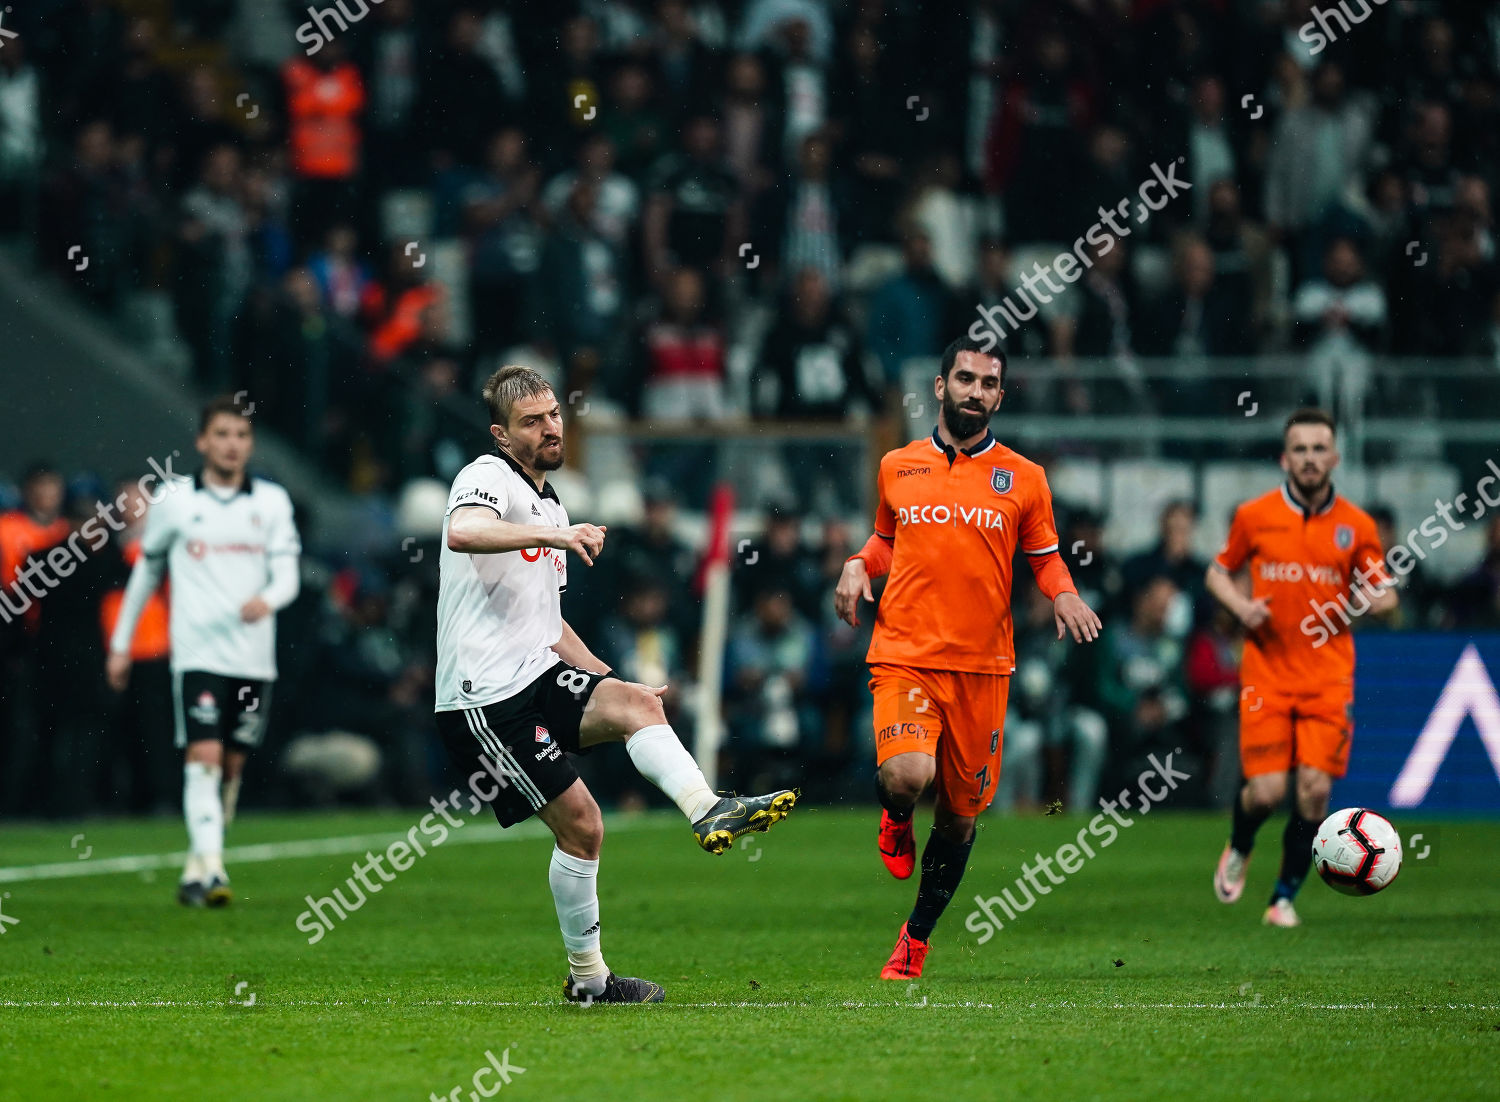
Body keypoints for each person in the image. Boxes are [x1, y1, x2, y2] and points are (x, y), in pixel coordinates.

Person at [433, 365, 797, 1005]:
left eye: (552, 414)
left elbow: (551, 627)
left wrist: (612, 679)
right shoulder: (486, 477)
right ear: (501, 434)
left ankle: (706, 807)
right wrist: (556, 535)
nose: (549, 428)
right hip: (483, 697)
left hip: (534, 671)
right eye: (531, 421)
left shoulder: (550, 503)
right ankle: (590, 982)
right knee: (584, 826)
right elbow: (463, 532)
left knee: (634, 702)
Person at [834, 335, 1101, 979]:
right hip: (904, 653)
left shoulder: (1025, 478)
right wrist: (855, 564)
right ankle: (895, 816)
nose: (974, 392)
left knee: (958, 821)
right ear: (940, 385)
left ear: (999, 396)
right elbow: (883, 539)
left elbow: (1044, 557)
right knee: (906, 776)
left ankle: (915, 938)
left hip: (984, 669)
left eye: (987, 384)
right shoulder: (898, 464)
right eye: (964, 379)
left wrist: (1064, 595)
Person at [107, 397, 302, 907]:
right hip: (197, 654)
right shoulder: (174, 500)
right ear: (201, 441)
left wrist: (269, 598)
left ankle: (197, 866)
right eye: (221, 434)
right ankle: (214, 869)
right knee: (205, 756)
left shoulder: (272, 503)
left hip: (254, 659)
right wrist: (121, 645)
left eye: (240, 435)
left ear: (250, 444)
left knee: (231, 769)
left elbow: (288, 574)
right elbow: (147, 570)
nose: (231, 444)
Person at [1207, 408, 1396, 927]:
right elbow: (1217, 573)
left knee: (1314, 790)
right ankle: (1241, 843)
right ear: (1284, 457)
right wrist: (1241, 607)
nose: (1310, 459)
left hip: (1327, 678)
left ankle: (1282, 898)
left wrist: (1372, 601)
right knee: (1266, 793)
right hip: (1267, 671)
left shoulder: (1357, 527)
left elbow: (1384, 592)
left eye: (1319, 449)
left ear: (1334, 457)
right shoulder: (1254, 515)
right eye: (1300, 449)